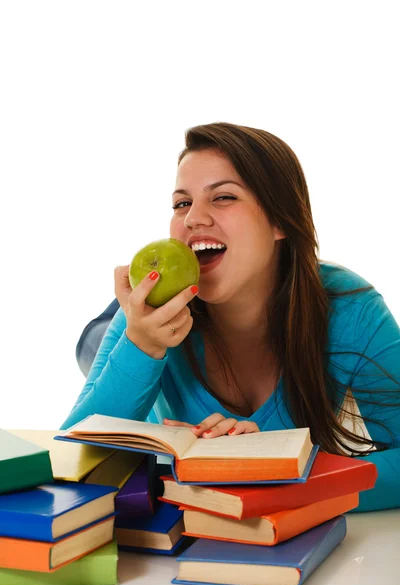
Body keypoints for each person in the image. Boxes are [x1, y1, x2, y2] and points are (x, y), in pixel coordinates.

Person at [61, 122, 400, 512]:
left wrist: (279, 470)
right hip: (123, 332)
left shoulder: (349, 306)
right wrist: (142, 345)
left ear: (279, 221)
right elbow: (77, 462)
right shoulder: (150, 312)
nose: (192, 219)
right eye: (181, 203)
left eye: (222, 197)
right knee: (97, 342)